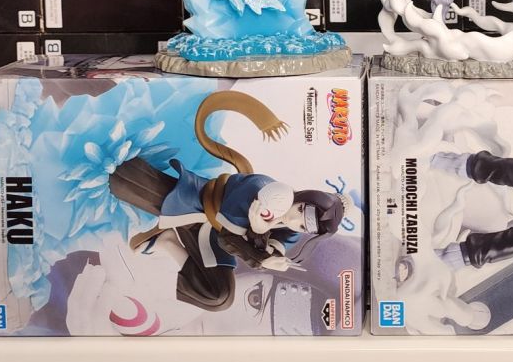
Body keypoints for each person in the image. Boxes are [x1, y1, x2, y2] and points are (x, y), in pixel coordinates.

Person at [108, 90, 348, 311]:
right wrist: (260, 251)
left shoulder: (290, 230)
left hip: (209, 236)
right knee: (119, 177)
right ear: (302, 198)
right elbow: (228, 238)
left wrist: (272, 255)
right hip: (195, 205)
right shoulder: (262, 189)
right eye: (300, 211)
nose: (294, 221)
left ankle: (166, 241)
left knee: (218, 297)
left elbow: (269, 245)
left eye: (303, 226)